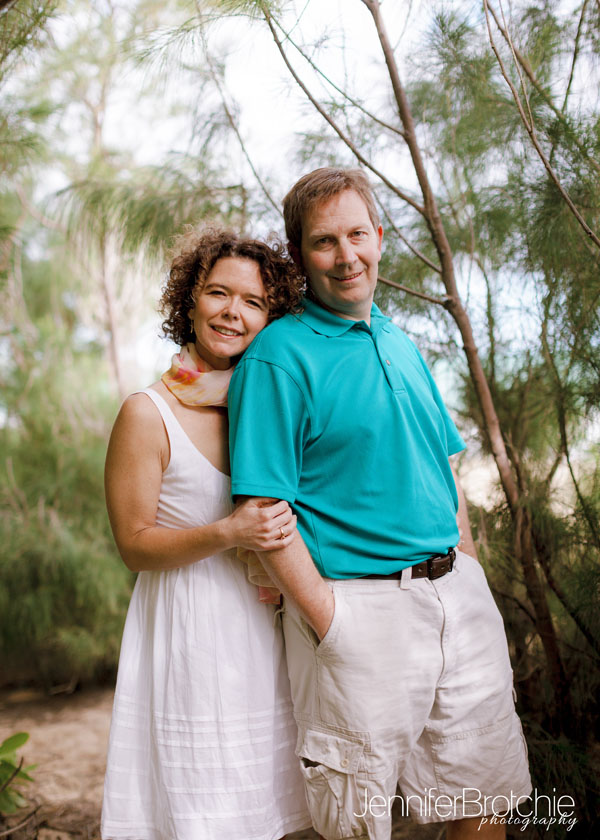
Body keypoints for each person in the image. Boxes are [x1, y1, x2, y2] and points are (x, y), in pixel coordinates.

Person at [227, 168, 532, 840]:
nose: (346, 255)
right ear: (300, 256)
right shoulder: (279, 357)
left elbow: (442, 471)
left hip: (458, 604)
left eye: (357, 234)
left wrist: (470, 571)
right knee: (358, 823)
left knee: (482, 802)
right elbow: (264, 511)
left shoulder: (401, 342)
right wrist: (330, 622)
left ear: (380, 237)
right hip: (357, 611)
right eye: (324, 242)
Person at [101, 227, 312, 840]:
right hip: (189, 634)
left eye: (252, 302)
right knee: (202, 813)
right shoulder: (148, 413)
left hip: (266, 631)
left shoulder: (268, 404)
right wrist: (228, 531)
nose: (232, 312)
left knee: (269, 812)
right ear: (189, 300)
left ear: (271, 316)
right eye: (219, 293)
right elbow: (134, 545)